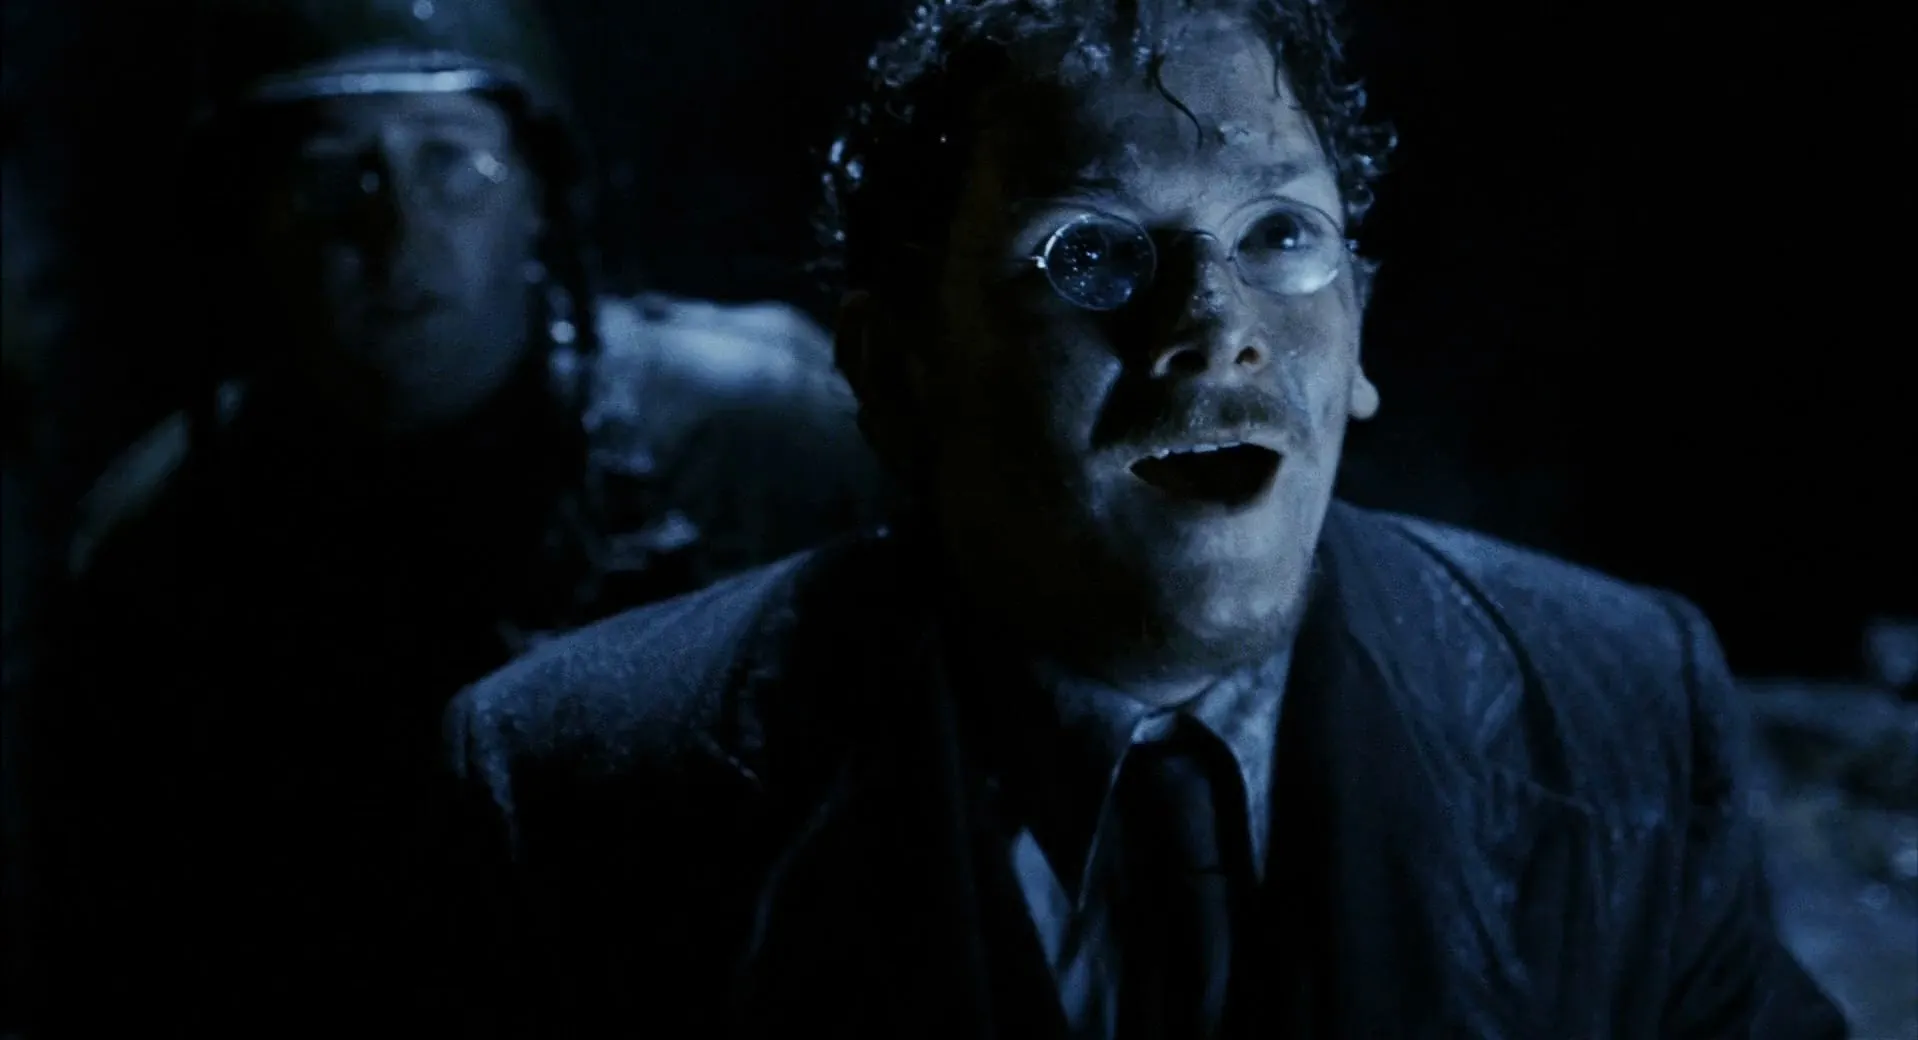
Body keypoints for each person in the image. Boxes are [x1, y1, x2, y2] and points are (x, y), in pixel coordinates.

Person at [440, 0, 1848, 1036]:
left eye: (1278, 233)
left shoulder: (1616, 707)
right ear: (895, 366)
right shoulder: (582, 793)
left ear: (1359, 335)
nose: (1217, 327)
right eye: (1092, 253)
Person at [26, 0, 882, 1032]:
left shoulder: (763, 435)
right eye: (333, 175)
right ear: (252, 215)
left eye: (452, 164)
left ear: (535, 194)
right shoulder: (161, 539)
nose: (397, 232)